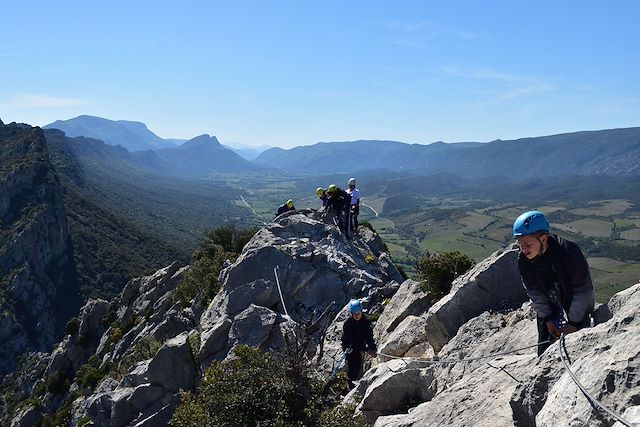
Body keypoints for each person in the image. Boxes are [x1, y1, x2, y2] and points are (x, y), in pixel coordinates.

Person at [513, 210, 595, 355]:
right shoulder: (524, 261)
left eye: (527, 244)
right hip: (550, 305)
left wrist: (574, 323)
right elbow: (534, 291)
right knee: (545, 348)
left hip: (576, 304)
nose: (523, 249)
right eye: (520, 244)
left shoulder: (569, 252)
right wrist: (548, 318)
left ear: (543, 239)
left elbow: (583, 290)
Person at [341, 299, 377, 388]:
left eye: (358, 313)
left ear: (361, 311)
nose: (357, 315)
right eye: (355, 314)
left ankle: (352, 383)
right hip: (350, 346)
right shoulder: (348, 324)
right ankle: (350, 385)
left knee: (358, 362)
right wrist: (366, 349)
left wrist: (372, 348)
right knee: (354, 363)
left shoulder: (365, 322)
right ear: (351, 313)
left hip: (360, 344)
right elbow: (352, 340)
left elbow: (369, 336)